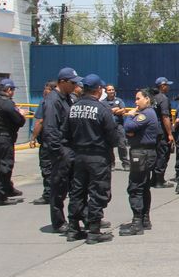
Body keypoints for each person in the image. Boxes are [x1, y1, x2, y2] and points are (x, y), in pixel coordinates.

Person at [62, 73, 118, 244]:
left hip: (78, 156)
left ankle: (73, 229)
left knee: (77, 191)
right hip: (98, 156)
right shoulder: (102, 109)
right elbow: (113, 137)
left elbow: (65, 134)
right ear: (98, 89)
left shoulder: (73, 108)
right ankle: (94, 230)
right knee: (97, 192)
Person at [42, 67, 80, 233]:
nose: (75, 86)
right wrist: (59, 152)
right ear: (62, 82)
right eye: (72, 83)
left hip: (70, 149)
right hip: (61, 150)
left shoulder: (68, 98)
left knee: (76, 186)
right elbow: (50, 129)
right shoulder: (52, 100)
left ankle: (81, 217)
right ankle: (58, 222)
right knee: (59, 188)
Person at [119, 89, 161, 236]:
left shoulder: (146, 114)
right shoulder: (147, 113)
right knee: (143, 186)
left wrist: (130, 116)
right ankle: (144, 219)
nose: (135, 102)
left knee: (135, 187)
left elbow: (129, 128)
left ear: (147, 99)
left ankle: (137, 222)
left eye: (138, 98)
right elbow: (130, 132)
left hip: (141, 153)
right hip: (144, 152)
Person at [0, 79, 27, 205]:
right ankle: (1, 195)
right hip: (4, 138)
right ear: (8, 89)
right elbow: (19, 121)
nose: (13, 92)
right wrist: (21, 114)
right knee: (4, 165)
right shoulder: (7, 103)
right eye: (12, 90)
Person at [29, 81, 56, 204]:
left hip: (47, 141)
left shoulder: (45, 102)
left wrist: (33, 137)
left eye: (46, 89)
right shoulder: (64, 100)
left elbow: (40, 121)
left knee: (47, 168)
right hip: (60, 141)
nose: (44, 91)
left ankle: (48, 194)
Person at [150, 77, 175, 188]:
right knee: (163, 155)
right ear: (162, 86)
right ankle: (159, 180)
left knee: (156, 155)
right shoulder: (163, 98)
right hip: (161, 131)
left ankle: (154, 179)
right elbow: (165, 117)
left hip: (153, 130)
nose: (168, 87)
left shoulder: (152, 98)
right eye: (167, 85)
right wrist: (169, 134)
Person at [102, 84, 129, 170]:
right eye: (109, 90)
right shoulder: (103, 102)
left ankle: (125, 163)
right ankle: (111, 163)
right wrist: (114, 110)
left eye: (112, 89)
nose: (111, 91)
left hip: (119, 126)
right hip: (108, 127)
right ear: (106, 91)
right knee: (109, 146)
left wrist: (113, 111)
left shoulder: (119, 100)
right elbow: (103, 112)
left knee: (122, 144)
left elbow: (123, 110)